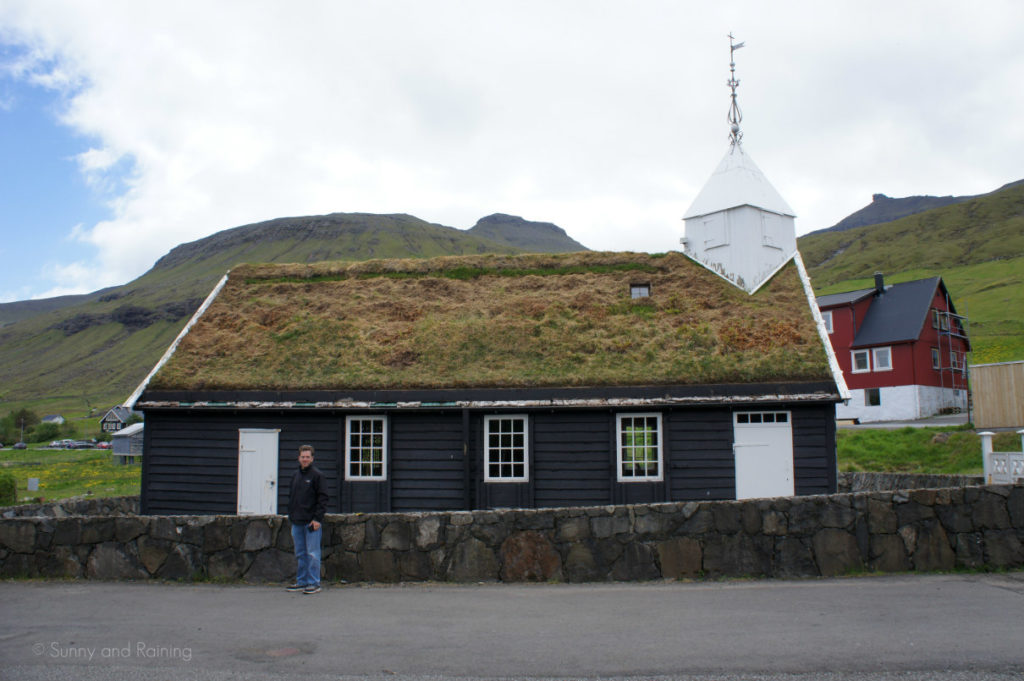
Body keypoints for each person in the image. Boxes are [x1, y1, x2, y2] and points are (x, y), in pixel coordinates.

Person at [286, 444, 328, 594]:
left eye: (307, 457)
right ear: (299, 458)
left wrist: (317, 519)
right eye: (303, 457)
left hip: (311, 522)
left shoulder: (318, 476)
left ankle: (314, 583)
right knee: (300, 553)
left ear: (312, 458)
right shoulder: (295, 476)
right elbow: (292, 497)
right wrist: (291, 514)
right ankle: (302, 581)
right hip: (296, 521)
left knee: (312, 554)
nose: (305, 459)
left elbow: (323, 499)